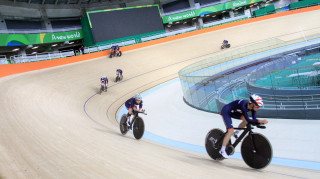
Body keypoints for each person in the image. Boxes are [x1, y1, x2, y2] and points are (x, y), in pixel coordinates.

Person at [219, 94, 268, 159]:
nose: (258, 108)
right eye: (257, 106)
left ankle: (236, 133)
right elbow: (249, 119)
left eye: (259, 107)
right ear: (252, 104)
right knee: (230, 131)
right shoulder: (243, 105)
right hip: (226, 111)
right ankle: (222, 150)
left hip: (234, 112)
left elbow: (253, 120)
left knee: (246, 122)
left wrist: (258, 124)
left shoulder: (253, 108)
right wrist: (260, 121)